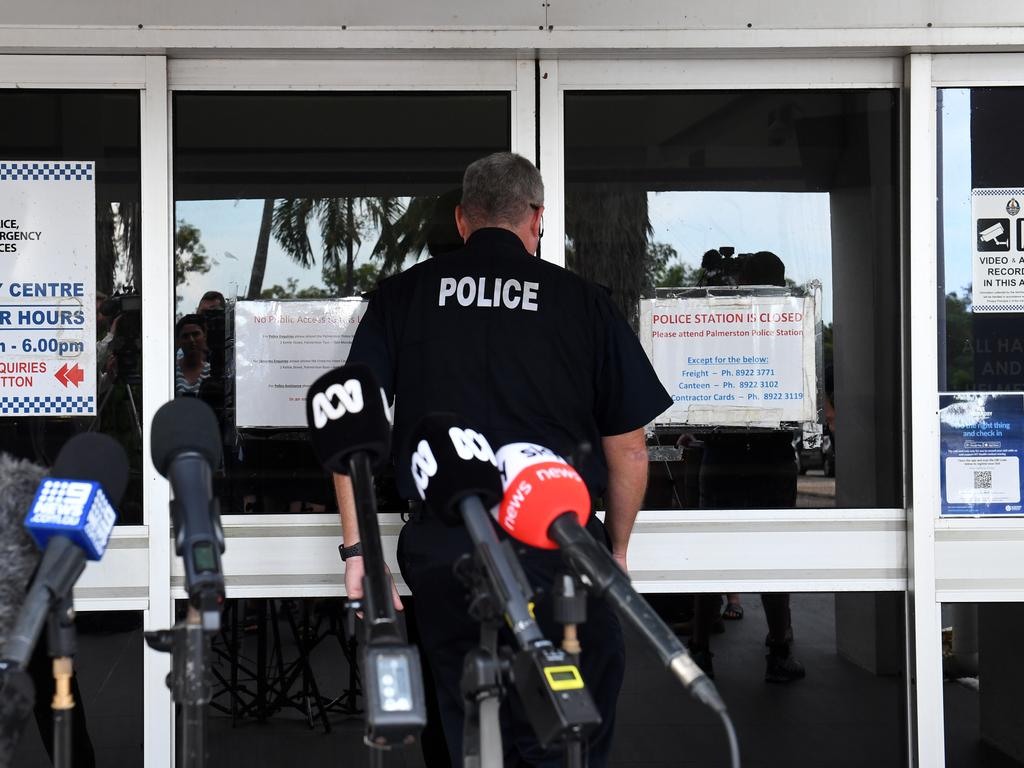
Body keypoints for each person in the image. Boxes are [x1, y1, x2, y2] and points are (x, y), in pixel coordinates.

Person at [333, 152, 671, 767]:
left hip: (444, 547)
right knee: (565, 732)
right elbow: (629, 445)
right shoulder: (582, 302)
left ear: (463, 220)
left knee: (466, 727)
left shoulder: (403, 297)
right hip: (559, 546)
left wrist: (360, 553)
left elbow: (351, 424)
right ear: (537, 218)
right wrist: (615, 553)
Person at [174, 313, 210, 396]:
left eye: (195, 334)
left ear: (204, 336)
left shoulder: (211, 372)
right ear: (178, 341)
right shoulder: (171, 371)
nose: (191, 340)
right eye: (185, 336)